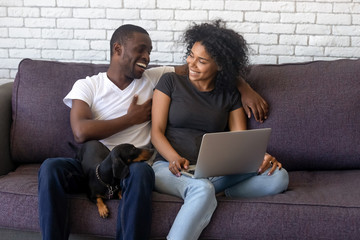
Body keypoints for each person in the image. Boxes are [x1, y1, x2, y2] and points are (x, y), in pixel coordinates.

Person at [37, 23, 271, 240]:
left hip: (132, 167)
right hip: (94, 166)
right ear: (118, 49)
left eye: (149, 51)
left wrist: (244, 87)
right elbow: (80, 132)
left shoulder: (156, 77)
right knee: (51, 167)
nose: (147, 58)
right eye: (141, 50)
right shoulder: (87, 85)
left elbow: (212, 66)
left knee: (141, 173)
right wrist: (131, 119)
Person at [151, 20, 289, 240]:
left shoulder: (230, 95)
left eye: (202, 61)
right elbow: (155, 132)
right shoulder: (170, 82)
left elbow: (239, 141)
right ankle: (207, 195)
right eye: (191, 55)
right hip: (168, 167)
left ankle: (221, 193)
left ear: (220, 66)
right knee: (202, 189)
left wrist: (260, 157)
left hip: (213, 173)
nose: (191, 64)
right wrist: (174, 158)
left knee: (279, 177)